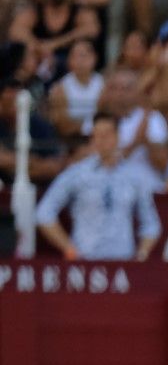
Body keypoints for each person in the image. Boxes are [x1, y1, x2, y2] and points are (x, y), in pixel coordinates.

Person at [37, 110, 161, 261]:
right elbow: (44, 213)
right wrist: (69, 249)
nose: (102, 140)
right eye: (97, 135)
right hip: (85, 258)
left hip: (123, 259)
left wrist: (142, 254)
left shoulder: (134, 176)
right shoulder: (76, 174)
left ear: (117, 136)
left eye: (107, 134)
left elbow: (151, 223)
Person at [46, 36, 101, 139]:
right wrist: (88, 127)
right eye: (75, 56)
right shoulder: (59, 88)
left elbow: (106, 118)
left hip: (99, 138)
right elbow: (62, 125)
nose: (80, 61)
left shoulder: (104, 85)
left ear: (94, 58)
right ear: (69, 60)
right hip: (71, 140)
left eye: (84, 56)